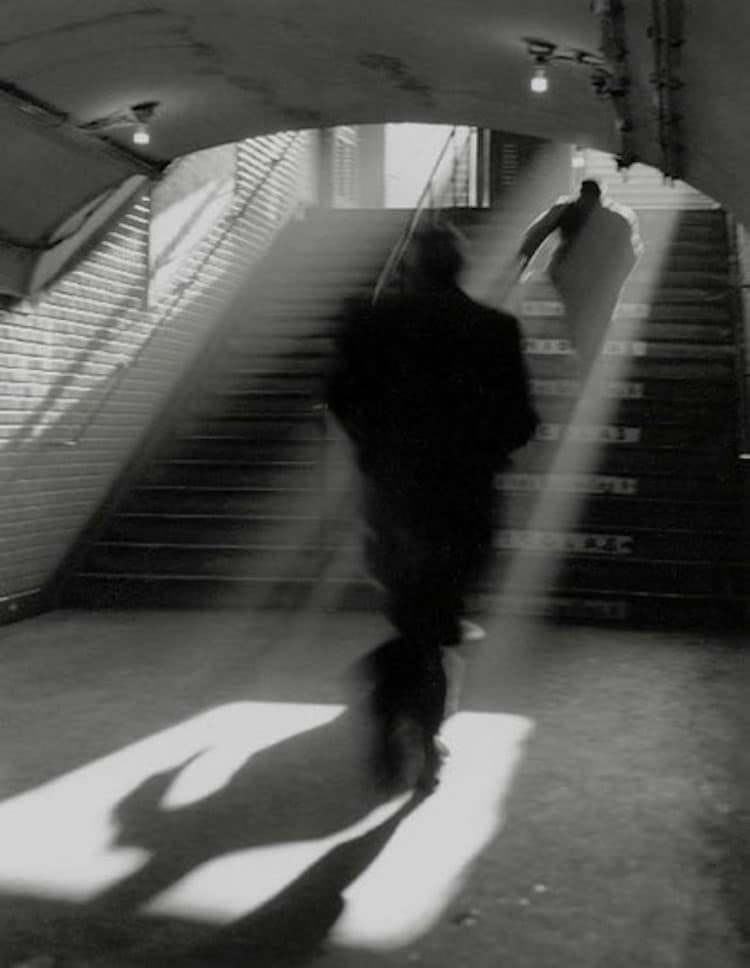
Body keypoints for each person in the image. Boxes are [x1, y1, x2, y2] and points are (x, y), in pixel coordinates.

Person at [326, 224, 538, 792]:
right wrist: (479, 445)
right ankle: (419, 724)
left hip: (394, 493)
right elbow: (521, 421)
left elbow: (340, 396)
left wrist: (376, 448)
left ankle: (399, 701)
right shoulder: (495, 329)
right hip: (464, 496)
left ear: (410, 268)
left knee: (413, 610)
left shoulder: (371, 323)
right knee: (438, 615)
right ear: (459, 268)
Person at [517, 179, 643, 378]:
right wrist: (616, 281)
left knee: (577, 318)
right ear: (600, 196)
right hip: (598, 280)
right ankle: (588, 362)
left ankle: (583, 359)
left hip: (570, 276)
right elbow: (630, 255)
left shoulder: (566, 211)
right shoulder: (617, 219)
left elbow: (536, 234)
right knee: (594, 322)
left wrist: (521, 265)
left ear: (581, 193)